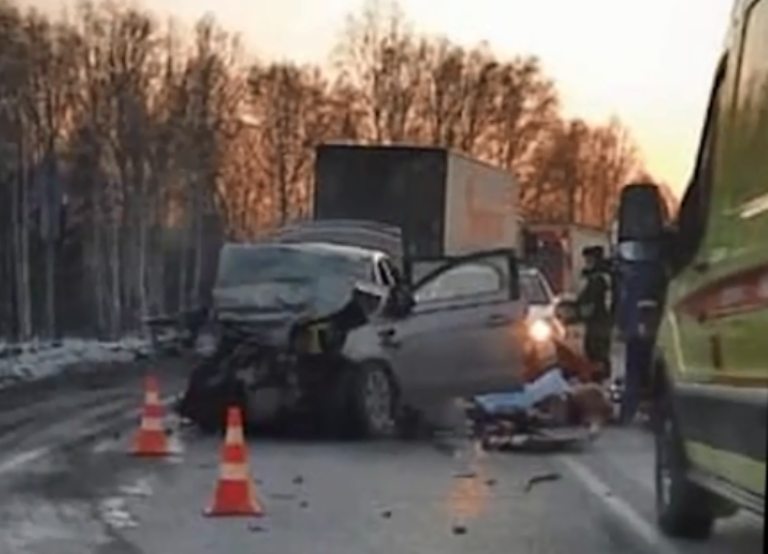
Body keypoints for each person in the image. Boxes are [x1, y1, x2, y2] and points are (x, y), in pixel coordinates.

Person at [575, 246, 613, 382]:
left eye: (589, 259)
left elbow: (589, 302)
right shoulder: (605, 276)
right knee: (599, 353)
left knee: (595, 352)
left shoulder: (597, 280)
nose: (586, 262)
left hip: (597, 323)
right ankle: (599, 379)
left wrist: (577, 314)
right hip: (603, 323)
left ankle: (597, 380)